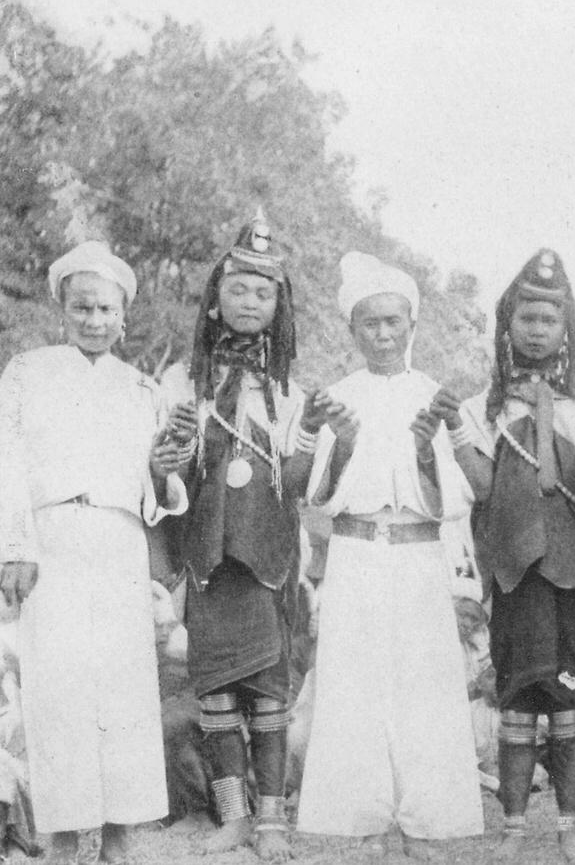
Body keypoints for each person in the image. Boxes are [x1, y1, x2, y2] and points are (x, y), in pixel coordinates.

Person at [0, 241, 189, 863]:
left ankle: (118, 841)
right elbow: (7, 464)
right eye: (82, 308)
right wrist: (15, 545)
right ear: (62, 309)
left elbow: (155, 497)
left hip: (118, 544)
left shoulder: (140, 388)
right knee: (57, 690)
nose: (94, 321)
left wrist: (165, 472)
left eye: (106, 309)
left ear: (124, 317)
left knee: (123, 692)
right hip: (51, 540)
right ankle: (57, 840)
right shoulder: (26, 372)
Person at [296, 252, 483, 856]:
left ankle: (429, 819)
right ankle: (361, 820)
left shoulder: (435, 396)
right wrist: (344, 446)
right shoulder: (336, 399)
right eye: (369, 323)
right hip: (355, 554)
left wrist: (428, 451)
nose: (382, 334)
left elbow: (456, 498)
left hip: (417, 556)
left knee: (424, 686)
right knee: (354, 684)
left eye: (393, 322)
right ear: (353, 330)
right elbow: (318, 497)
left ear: (411, 325)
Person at [448, 249, 575, 861]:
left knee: (568, 699)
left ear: (566, 328)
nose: (537, 330)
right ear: (508, 325)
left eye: (549, 319)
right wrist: (453, 429)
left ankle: (571, 828)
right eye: (526, 317)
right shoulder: (484, 407)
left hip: (570, 571)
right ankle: (516, 831)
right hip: (515, 572)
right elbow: (480, 487)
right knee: (519, 695)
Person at [164, 211, 309, 862]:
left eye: (263, 292)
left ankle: (274, 819)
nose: (249, 301)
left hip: (267, 561)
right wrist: (162, 464)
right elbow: (166, 482)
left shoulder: (291, 392)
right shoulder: (180, 383)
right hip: (207, 560)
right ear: (215, 302)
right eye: (237, 290)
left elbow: (301, 483)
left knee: (269, 691)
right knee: (216, 692)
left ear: (278, 306)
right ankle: (234, 816)